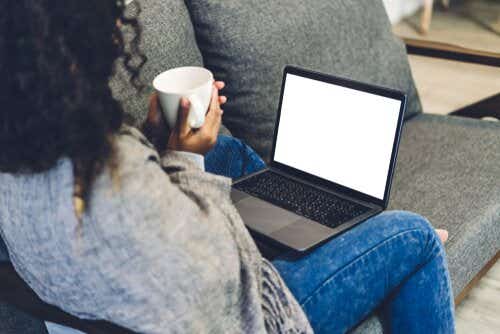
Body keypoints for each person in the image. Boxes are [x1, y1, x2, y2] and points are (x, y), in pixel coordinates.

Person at [0, 1, 455, 333]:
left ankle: (313, 228)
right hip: (245, 311)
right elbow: (217, 275)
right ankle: (371, 244)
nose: (118, 27)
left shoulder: (21, 152)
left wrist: (160, 140)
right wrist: (183, 154)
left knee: (229, 152)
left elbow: (138, 219)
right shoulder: (123, 185)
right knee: (412, 235)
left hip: (124, 287)